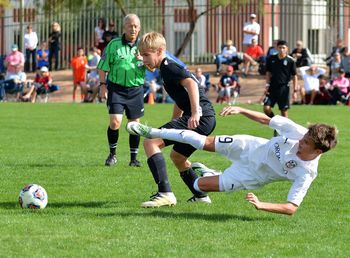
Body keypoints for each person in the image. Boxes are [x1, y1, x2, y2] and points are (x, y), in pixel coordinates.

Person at [127, 105, 338, 215]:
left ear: (318, 151)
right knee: (202, 142)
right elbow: (267, 120)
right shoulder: (300, 132)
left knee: (197, 185)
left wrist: (261, 204)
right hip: (250, 147)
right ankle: (152, 131)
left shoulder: (307, 173)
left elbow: (291, 207)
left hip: (252, 176)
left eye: (306, 143)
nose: (301, 141)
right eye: (303, 138)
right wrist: (241, 110)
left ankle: (209, 174)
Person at [136, 31, 216, 208]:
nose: (144, 59)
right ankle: (200, 195)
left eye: (146, 55)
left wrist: (195, 113)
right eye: (142, 55)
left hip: (200, 118)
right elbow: (181, 98)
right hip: (204, 118)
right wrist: (173, 125)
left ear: (160, 51)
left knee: (150, 143)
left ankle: (165, 193)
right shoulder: (164, 69)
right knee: (177, 157)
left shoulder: (169, 67)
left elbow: (192, 84)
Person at [97, 14, 146, 167]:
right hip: (116, 89)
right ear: (124, 27)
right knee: (115, 122)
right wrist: (102, 85)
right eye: (130, 26)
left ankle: (134, 159)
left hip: (136, 90)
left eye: (136, 26)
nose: (133, 29)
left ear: (139, 28)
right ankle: (112, 155)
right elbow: (102, 66)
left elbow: (153, 66)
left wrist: (144, 60)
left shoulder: (145, 46)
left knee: (134, 126)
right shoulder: (113, 44)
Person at [263, 40, 298, 119]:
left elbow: (295, 76)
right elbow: (268, 73)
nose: (281, 49)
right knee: (266, 108)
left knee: (284, 112)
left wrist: (295, 91)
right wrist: (267, 85)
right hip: (272, 87)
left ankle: (286, 130)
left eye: (283, 48)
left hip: (284, 88)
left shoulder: (291, 61)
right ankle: (276, 122)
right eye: (280, 48)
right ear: (276, 48)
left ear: (287, 49)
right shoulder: (271, 58)